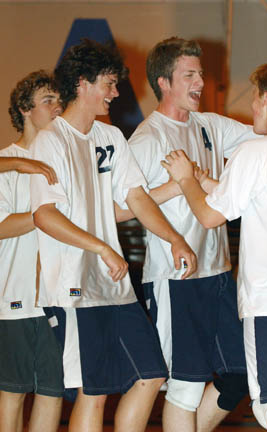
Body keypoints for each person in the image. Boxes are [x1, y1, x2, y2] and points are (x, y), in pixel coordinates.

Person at [29, 39, 197, 432]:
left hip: (114, 286)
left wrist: (174, 237)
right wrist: (101, 246)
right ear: (83, 83)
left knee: (151, 375)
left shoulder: (111, 138)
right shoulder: (51, 142)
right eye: (108, 83)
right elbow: (44, 215)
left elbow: (136, 198)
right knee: (95, 390)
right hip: (73, 286)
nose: (116, 93)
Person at [118, 37, 256, 432]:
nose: (200, 81)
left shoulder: (209, 125)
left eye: (201, 73)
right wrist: (177, 186)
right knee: (185, 385)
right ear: (164, 82)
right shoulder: (148, 139)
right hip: (175, 278)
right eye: (189, 74)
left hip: (216, 275)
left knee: (238, 375)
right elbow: (119, 208)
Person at [161, 59, 267, 432]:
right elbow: (257, 201)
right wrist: (205, 180)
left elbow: (209, 217)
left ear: (266, 98)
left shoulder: (257, 151)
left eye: (254, 99)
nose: (252, 108)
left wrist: (186, 179)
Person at [0, 70, 64, 432]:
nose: (57, 108)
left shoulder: (64, 161)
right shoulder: (7, 163)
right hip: (16, 296)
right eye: (47, 101)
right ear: (25, 109)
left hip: (59, 295)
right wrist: (46, 216)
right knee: (13, 391)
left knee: (53, 391)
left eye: (59, 100)